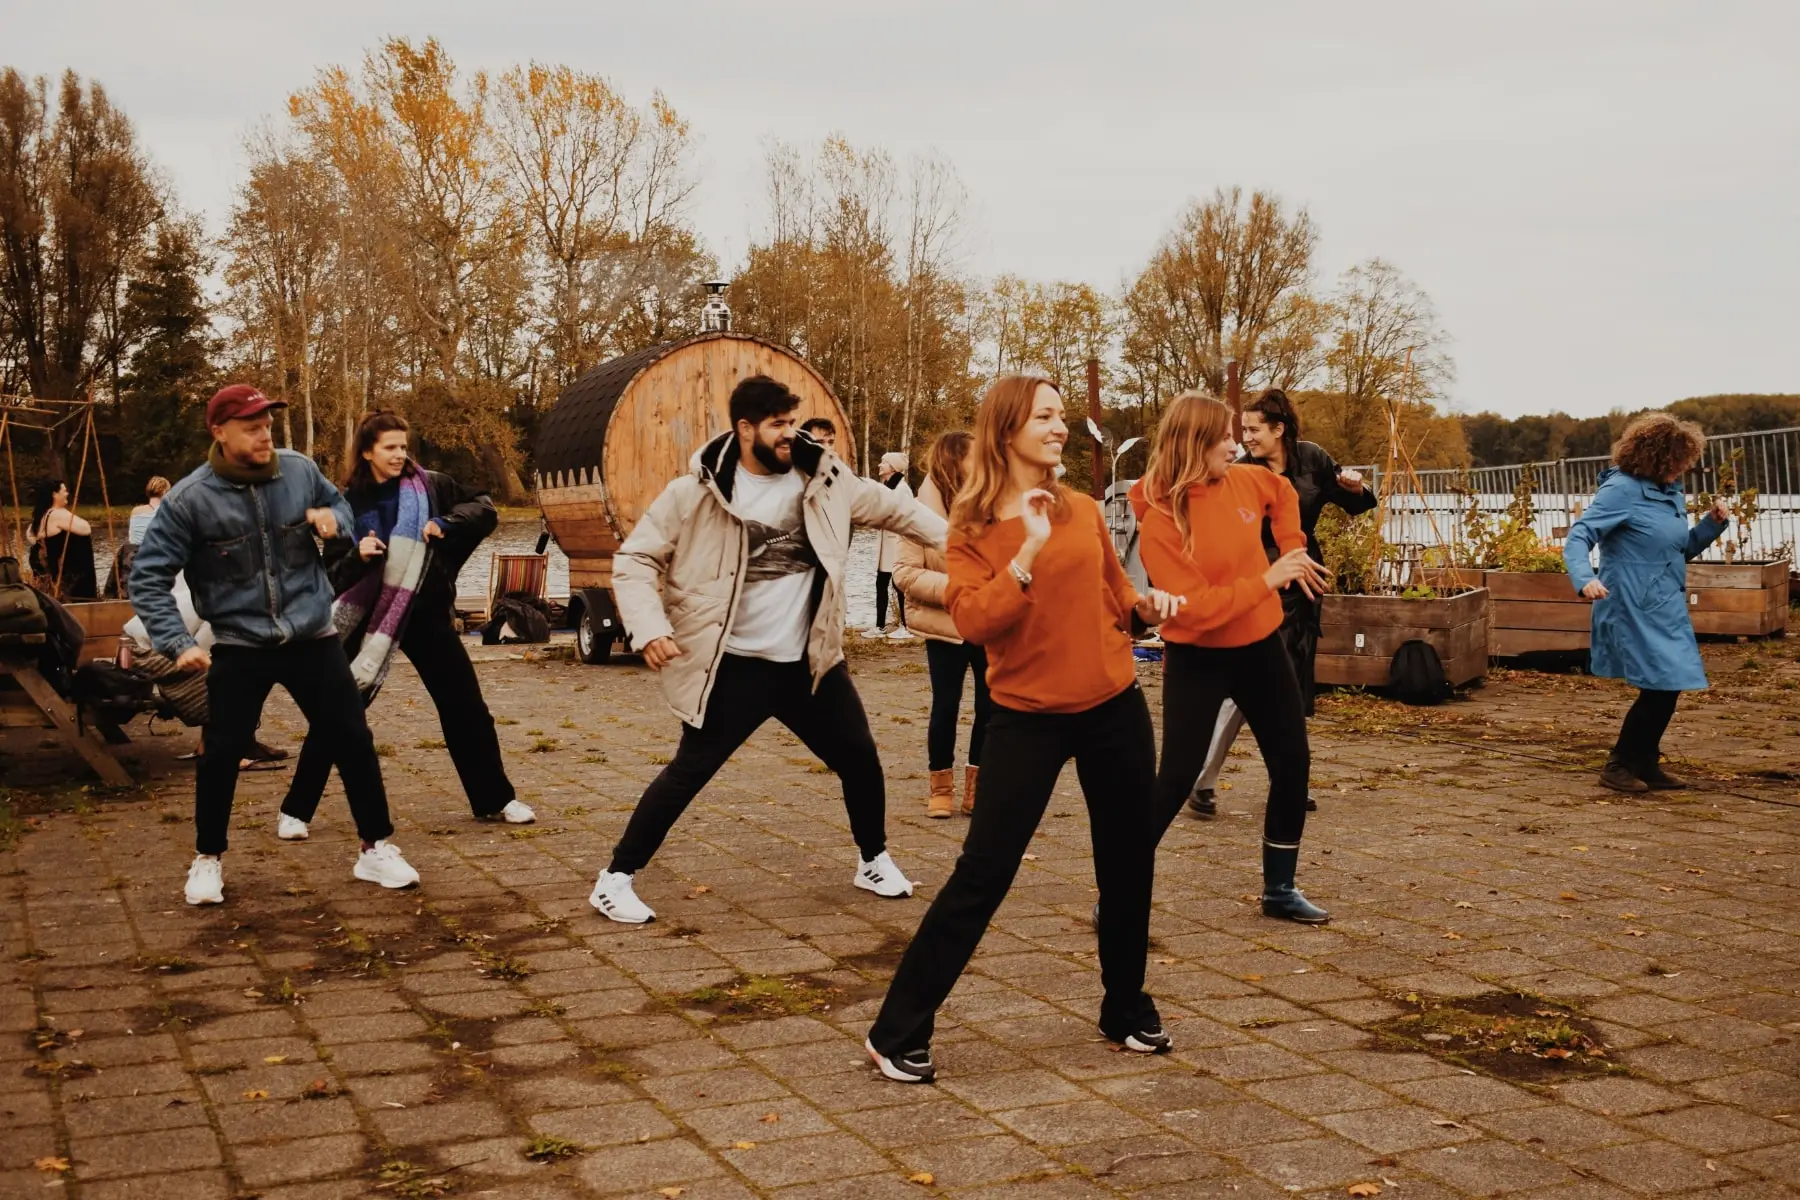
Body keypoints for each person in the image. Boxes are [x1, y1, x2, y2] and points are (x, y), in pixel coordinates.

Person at [864, 375, 1186, 1084]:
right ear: (1007, 429)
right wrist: (1028, 551)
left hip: (1113, 706)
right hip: (1026, 719)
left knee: (1130, 861)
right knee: (984, 873)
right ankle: (896, 1030)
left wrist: (1146, 609)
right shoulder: (971, 528)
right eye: (1045, 416)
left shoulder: (1082, 507)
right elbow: (976, 622)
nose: (1059, 427)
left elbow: (1117, 595)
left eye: (1062, 416)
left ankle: (1125, 1007)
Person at [590, 375, 947, 924]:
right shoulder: (695, 492)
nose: (790, 435)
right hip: (732, 665)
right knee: (689, 773)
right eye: (778, 425)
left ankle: (872, 860)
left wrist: (965, 545)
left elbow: (900, 513)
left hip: (809, 663)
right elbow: (636, 559)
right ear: (746, 428)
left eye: (792, 423)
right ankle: (615, 879)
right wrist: (648, 626)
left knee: (860, 760)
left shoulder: (826, 477)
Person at [131, 384, 418, 906]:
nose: (265, 435)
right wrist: (176, 641)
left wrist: (335, 524)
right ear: (219, 432)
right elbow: (147, 578)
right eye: (251, 427)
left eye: (267, 425)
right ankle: (208, 859)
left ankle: (375, 848)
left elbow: (339, 509)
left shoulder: (299, 470)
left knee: (352, 736)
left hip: (312, 633)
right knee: (221, 751)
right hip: (240, 642)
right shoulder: (188, 501)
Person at [277, 411, 533, 839]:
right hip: (367, 621)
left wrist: (445, 523)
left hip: (426, 611)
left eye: (403, 446)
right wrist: (358, 556)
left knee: (466, 708)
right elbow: (332, 574)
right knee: (338, 714)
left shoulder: (432, 485)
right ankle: (296, 810)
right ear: (367, 452)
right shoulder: (346, 503)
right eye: (390, 448)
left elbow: (484, 509)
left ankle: (495, 799)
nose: (400, 455)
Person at [1132, 391, 1334, 924]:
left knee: (1293, 763)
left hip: (1260, 648)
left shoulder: (1247, 479)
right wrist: (1268, 578)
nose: (1235, 443)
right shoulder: (1160, 518)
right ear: (1196, 443)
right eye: (1224, 435)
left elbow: (1284, 492)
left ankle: (1280, 889)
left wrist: (1292, 547)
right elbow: (1195, 612)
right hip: (1198, 656)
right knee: (1176, 777)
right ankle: (1120, 885)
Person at [1186, 390, 1376, 817]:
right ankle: (1203, 779)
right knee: (1251, 683)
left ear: (1279, 430)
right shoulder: (1239, 472)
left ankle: (1287, 779)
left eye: (1253, 430)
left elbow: (1354, 504)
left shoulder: (1313, 460)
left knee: (1293, 683)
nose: (1246, 438)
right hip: (1256, 579)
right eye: (1243, 430)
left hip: (1304, 579)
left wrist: (1357, 487)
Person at [1563, 413, 1727, 794]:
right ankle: (1619, 765)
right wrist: (1585, 579)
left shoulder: (1668, 493)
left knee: (1669, 684)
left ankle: (1646, 763)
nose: (1683, 469)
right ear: (1655, 457)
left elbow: (1677, 549)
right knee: (1661, 683)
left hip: (1665, 603)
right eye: (1677, 462)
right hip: (1629, 602)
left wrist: (1710, 525)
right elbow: (1579, 536)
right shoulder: (1621, 490)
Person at [893, 430, 991, 819]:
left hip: (987, 622)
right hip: (945, 625)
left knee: (990, 707)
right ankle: (941, 787)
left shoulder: (993, 507)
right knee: (945, 705)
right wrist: (957, 589)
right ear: (954, 461)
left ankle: (977, 790)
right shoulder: (917, 514)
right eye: (974, 456)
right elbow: (903, 573)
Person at [864, 451, 916, 640]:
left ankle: (906, 626)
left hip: (895, 544)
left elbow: (904, 516)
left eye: (883, 463)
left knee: (898, 584)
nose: (879, 465)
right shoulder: (888, 487)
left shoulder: (902, 489)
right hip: (885, 544)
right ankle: (879, 626)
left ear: (893, 468)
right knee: (881, 583)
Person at [28, 480, 97, 599]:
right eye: (64, 491)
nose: (67, 494)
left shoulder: (41, 516)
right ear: (54, 494)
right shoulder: (56, 514)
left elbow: (30, 536)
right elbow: (86, 528)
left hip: (49, 574)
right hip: (66, 576)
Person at [129, 477, 171, 543]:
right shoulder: (167, 512)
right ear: (164, 492)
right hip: (156, 552)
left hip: (135, 551)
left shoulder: (135, 511)